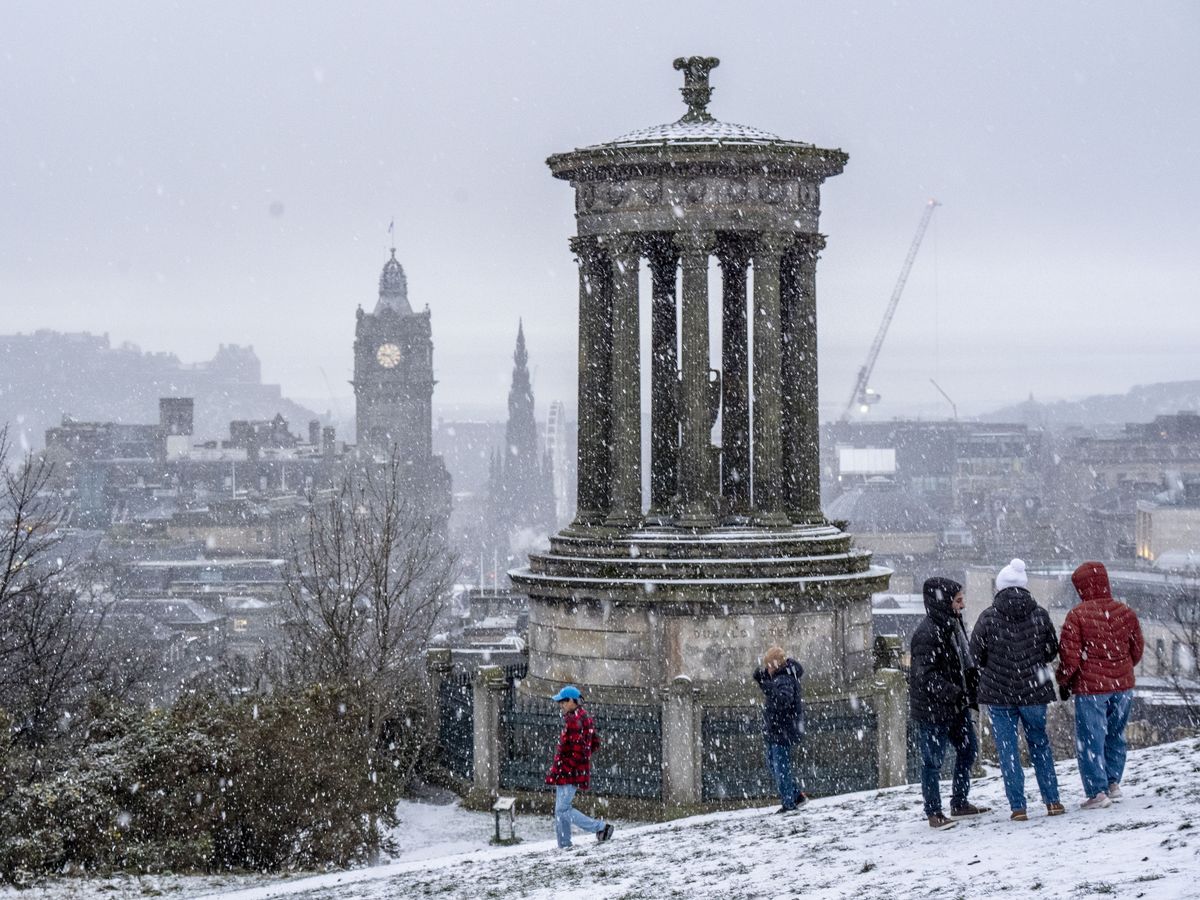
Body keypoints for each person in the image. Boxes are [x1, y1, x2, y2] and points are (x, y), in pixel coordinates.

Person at [970, 558, 1065, 821]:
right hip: (1034, 691)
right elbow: (1050, 650)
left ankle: (1018, 807)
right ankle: (1052, 801)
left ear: (1000, 587)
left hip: (998, 693)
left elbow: (975, 655)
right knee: (1040, 744)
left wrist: (996, 666)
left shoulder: (988, 617)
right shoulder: (1040, 614)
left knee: (1007, 749)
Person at [1057, 561, 1144, 810]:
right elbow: (1136, 649)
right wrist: (1123, 667)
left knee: (1091, 739)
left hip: (1091, 689)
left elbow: (1070, 657)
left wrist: (1064, 680)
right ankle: (1113, 782)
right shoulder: (1125, 612)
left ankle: (1097, 791)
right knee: (1116, 734)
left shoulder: (1077, 615)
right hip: (1123, 684)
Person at [909, 576, 989, 829]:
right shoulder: (928, 633)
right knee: (932, 761)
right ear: (944, 602)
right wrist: (954, 692)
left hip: (956, 705)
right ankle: (934, 811)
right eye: (958, 600)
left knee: (968, 750)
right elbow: (926, 676)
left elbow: (962, 662)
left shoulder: (952, 626)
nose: (962, 605)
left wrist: (968, 688)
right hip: (934, 709)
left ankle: (959, 802)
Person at [545, 684, 613, 848]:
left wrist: (565, 768)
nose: (560, 705)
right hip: (571, 771)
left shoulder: (575, 721)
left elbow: (579, 751)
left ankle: (601, 828)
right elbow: (594, 743)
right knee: (560, 810)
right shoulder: (583, 717)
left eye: (563, 702)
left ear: (572, 701)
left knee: (562, 810)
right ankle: (564, 845)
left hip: (569, 773)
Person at [753, 645, 807, 813]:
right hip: (777, 730)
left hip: (783, 731)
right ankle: (796, 795)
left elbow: (783, 700)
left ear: (775, 665)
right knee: (774, 764)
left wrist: (766, 685)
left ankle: (789, 803)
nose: (767, 669)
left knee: (781, 768)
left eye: (768, 666)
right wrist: (765, 681)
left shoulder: (785, 679)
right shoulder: (781, 677)